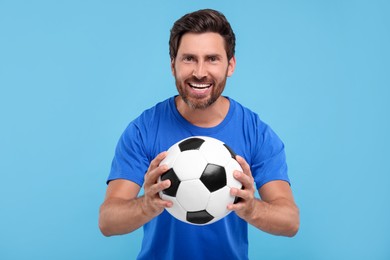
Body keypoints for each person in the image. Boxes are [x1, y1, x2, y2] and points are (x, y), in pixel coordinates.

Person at [99, 9, 299, 259]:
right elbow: (108, 220)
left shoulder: (255, 132)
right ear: (173, 65)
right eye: (189, 58)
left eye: (212, 59)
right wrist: (146, 204)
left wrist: (252, 209)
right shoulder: (144, 129)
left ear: (231, 65)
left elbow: (290, 220)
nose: (200, 72)